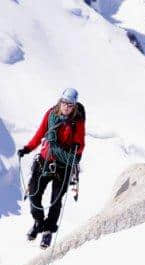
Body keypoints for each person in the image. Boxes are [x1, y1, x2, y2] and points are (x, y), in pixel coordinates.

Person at [18, 87, 85, 249]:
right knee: (34, 194)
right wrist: (28, 148)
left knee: (55, 201)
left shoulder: (77, 121)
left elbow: (80, 145)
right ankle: (39, 222)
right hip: (43, 161)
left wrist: (75, 151)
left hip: (63, 167)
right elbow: (40, 133)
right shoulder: (51, 115)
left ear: (74, 105)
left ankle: (48, 231)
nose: (67, 107)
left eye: (70, 104)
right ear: (60, 101)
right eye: (65, 103)